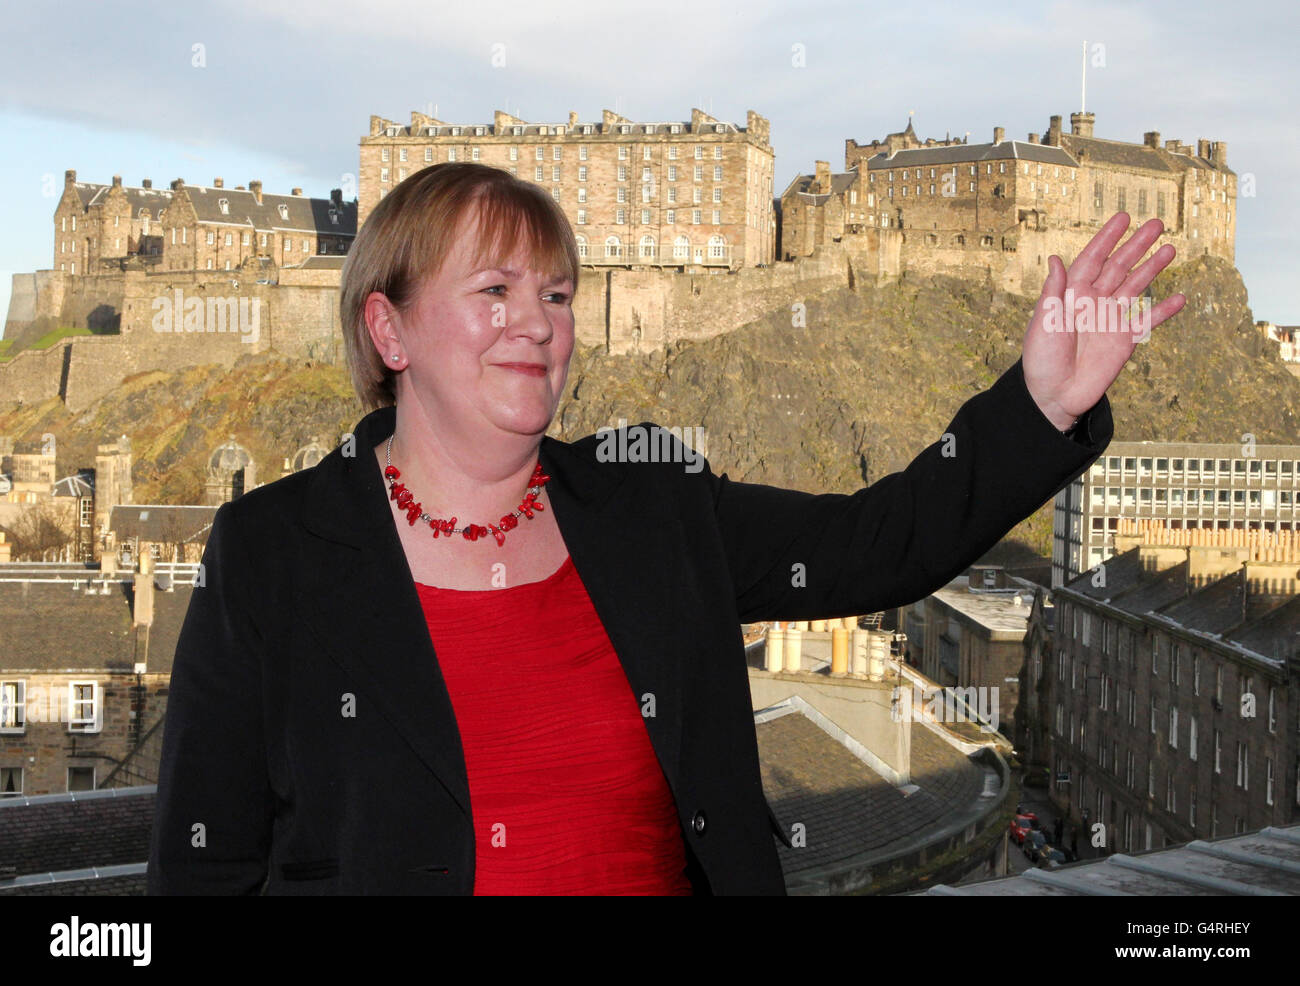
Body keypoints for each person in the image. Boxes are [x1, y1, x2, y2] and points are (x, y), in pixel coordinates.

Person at [146, 162, 1185, 895]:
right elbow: (203, 866)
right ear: (388, 327)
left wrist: (1038, 403)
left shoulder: (651, 505)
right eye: (495, 289)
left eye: (556, 293)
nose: (538, 320)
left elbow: (883, 543)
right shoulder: (272, 553)